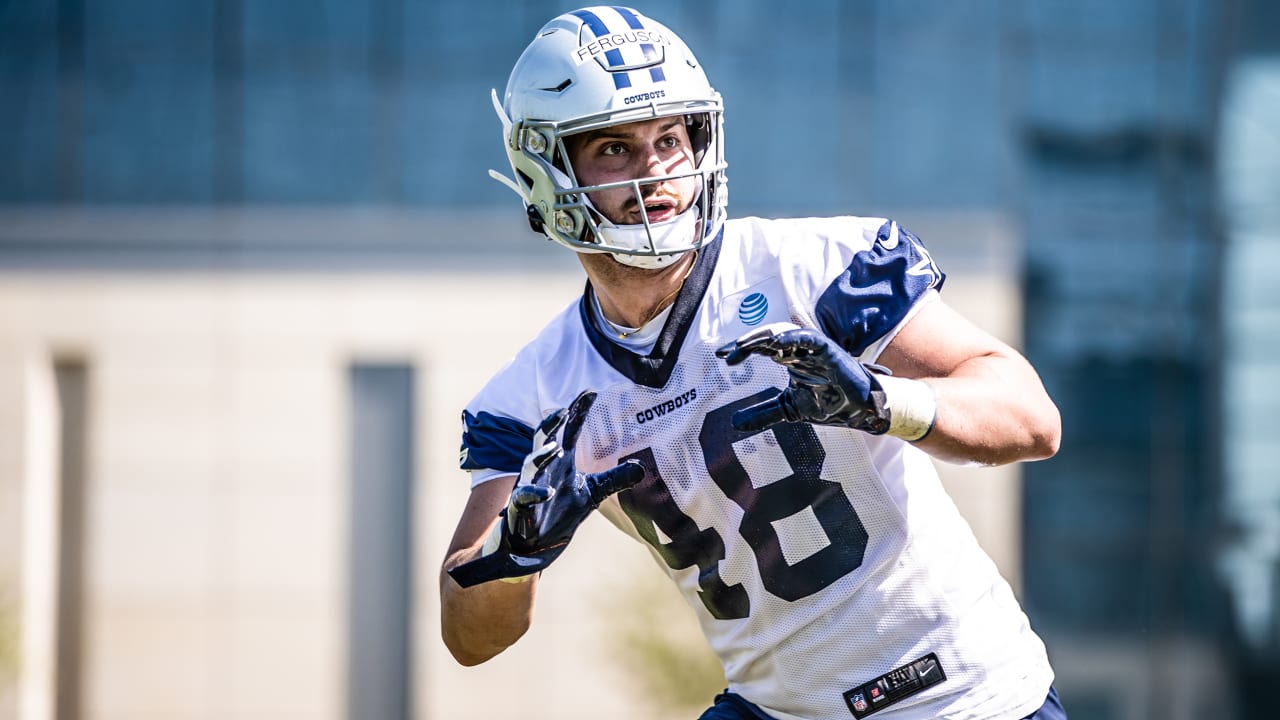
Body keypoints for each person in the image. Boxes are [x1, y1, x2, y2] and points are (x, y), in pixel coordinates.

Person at [439, 6, 1067, 719]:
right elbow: (467, 634)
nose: (655, 170)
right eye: (614, 147)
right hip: (779, 708)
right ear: (546, 169)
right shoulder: (535, 396)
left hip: (964, 696)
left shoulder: (810, 271)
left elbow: (1032, 419)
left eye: (671, 138)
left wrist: (884, 403)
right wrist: (516, 556)